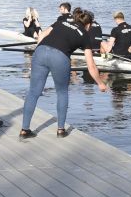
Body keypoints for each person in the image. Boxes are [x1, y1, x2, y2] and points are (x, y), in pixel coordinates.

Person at [20, 7, 107, 139]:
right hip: (59, 57)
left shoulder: (61, 22)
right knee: (62, 92)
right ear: (88, 24)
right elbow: (91, 66)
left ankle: (24, 130)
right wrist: (100, 83)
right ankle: (61, 130)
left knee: (33, 92)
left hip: (40, 51)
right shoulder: (84, 35)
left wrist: (40, 54)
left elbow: (42, 35)